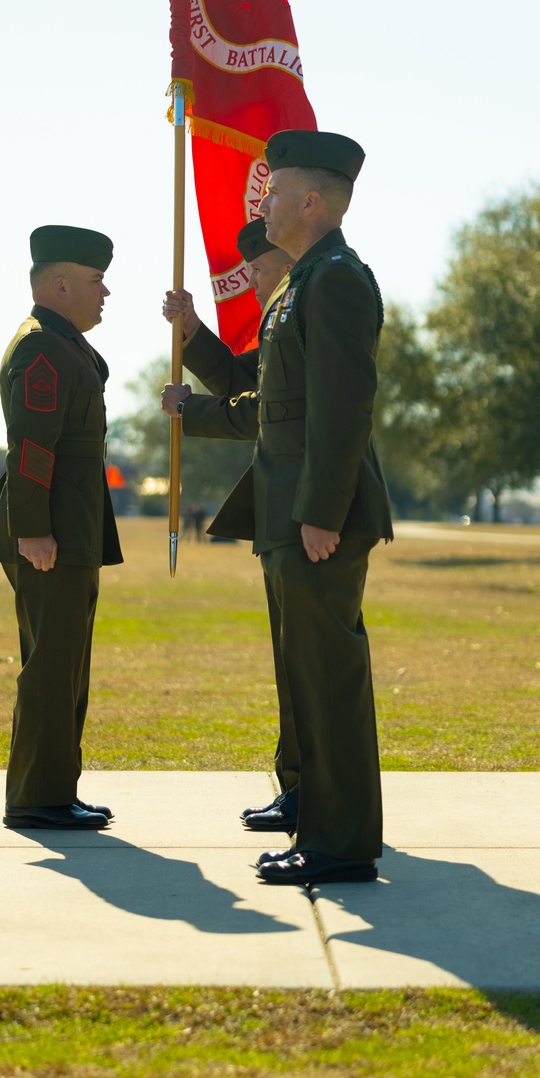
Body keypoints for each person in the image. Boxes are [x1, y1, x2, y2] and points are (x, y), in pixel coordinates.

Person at [166, 130, 393, 886]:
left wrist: (322, 510)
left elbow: (341, 407)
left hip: (314, 517)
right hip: (293, 511)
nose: (260, 200)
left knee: (329, 678)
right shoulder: (304, 281)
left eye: (273, 188)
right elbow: (275, 402)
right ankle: (326, 823)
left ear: (311, 200)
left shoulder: (336, 281)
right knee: (310, 674)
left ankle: (340, 842)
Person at [0, 225, 122, 830]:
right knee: (52, 666)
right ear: (60, 286)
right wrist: (33, 533)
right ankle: (37, 797)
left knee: (66, 663)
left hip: (71, 529)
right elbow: (30, 449)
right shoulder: (42, 350)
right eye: (94, 281)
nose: (105, 293)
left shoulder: (62, 342)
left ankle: (55, 790)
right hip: (51, 533)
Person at [162, 219, 298, 834]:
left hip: (305, 513)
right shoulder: (285, 317)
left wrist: (193, 410)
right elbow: (246, 380)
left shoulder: (307, 307)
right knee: (295, 666)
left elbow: (272, 409)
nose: (254, 284)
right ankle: (298, 788)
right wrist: (191, 333)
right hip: (285, 509)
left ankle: (314, 797)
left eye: (262, 272)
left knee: (310, 667)